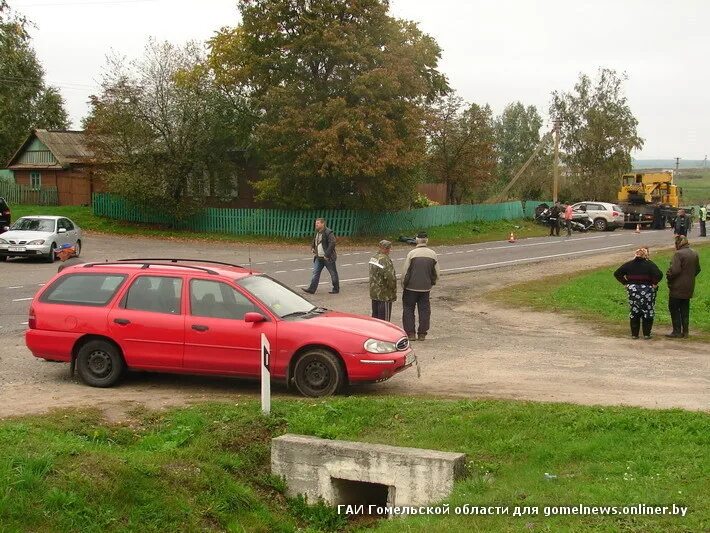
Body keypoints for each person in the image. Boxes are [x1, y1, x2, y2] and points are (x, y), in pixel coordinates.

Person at [613, 247, 663, 339]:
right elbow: (659, 274)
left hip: (633, 290)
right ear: (645, 255)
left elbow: (617, 273)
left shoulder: (629, 264)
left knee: (634, 310)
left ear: (635, 254)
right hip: (647, 290)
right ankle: (647, 334)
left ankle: (634, 334)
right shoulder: (650, 264)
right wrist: (654, 283)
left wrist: (625, 282)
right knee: (647, 311)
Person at [402, 231, 439, 341]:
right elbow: (437, 273)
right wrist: (432, 283)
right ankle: (422, 333)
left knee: (408, 309)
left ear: (417, 240)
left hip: (410, 288)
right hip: (425, 288)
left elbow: (405, 271)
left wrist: (403, 284)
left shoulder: (412, 254)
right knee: (424, 310)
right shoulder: (433, 254)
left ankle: (410, 333)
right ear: (427, 240)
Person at [665, 236, 701, 338]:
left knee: (674, 308)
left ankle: (676, 331)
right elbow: (698, 269)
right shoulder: (694, 253)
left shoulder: (678, 254)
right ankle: (685, 331)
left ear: (678, 243)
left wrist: (668, 275)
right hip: (689, 286)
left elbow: (675, 270)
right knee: (685, 309)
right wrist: (689, 277)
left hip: (677, 286)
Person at [302, 218, 339, 294]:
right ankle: (312, 289)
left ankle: (336, 289)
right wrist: (312, 247)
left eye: (318, 223)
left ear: (323, 224)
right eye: (316, 223)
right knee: (315, 273)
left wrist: (327, 254)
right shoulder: (317, 232)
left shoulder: (328, 232)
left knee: (333, 273)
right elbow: (314, 241)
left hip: (327, 258)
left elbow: (332, 243)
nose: (316, 225)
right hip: (319, 257)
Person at [368, 240, 396, 321]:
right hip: (384, 294)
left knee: (376, 319)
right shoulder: (385, 260)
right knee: (384, 321)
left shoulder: (373, 258)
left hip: (374, 293)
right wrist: (393, 292)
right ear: (387, 249)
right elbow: (390, 277)